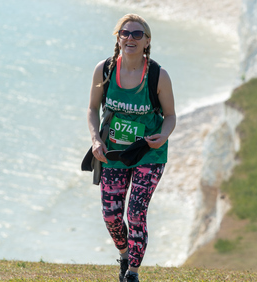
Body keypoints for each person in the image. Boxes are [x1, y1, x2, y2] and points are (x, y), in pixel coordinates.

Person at [87, 14, 176, 282]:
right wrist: (95, 140)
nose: (130, 38)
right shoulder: (104, 70)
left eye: (138, 34)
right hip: (112, 154)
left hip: (149, 153)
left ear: (147, 41)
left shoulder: (158, 75)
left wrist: (163, 134)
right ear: (118, 37)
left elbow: (170, 116)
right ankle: (125, 253)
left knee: (136, 212)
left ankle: (133, 273)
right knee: (111, 216)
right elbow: (92, 109)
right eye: (125, 33)